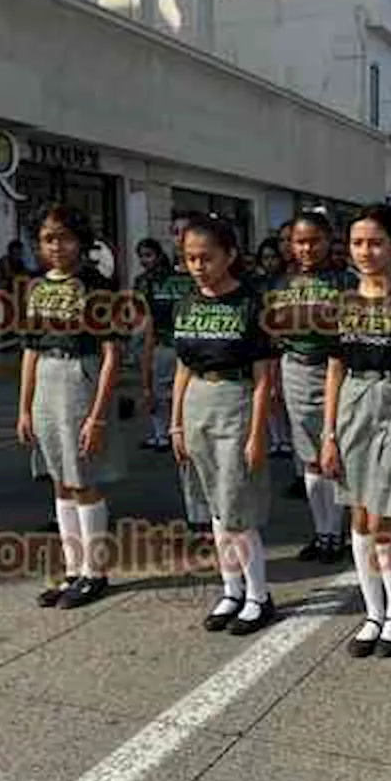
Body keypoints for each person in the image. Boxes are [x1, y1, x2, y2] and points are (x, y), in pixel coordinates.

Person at [321, 204, 391, 657]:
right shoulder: (342, 302)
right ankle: (373, 611)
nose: (365, 251)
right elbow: (333, 370)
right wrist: (328, 434)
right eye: (357, 243)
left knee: (385, 517)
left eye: (375, 242)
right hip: (352, 404)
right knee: (360, 516)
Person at [170, 217, 276, 635]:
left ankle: (259, 595)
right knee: (214, 505)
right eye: (190, 258)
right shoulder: (186, 303)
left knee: (237, 505)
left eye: (206, 258)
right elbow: (182, 366)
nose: (198, 266)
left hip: (235, 400)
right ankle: (231, 588)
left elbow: (265, 377)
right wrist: (176, 423)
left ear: (230, 255)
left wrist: (256, 432)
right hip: (197, 399)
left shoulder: (252, 304)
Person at [17, 205, 126, 608]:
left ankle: (94, 572)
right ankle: (72, 568)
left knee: (83, 478)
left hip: (80, 376)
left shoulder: (97, 286)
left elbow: (112, 354)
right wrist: (24, 407)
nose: (56, 246)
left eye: (64, 237)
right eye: (48, 238)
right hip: (45, 376)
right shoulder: (35, 287)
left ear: (80, 241)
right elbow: (29, 348)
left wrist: (97, 415)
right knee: (58, 478)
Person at [265, 209, 356, 564]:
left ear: (329, 241)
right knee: (308, 459)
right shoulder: (281, 284)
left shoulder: (345, 282)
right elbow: (273, 334)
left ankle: (338, 532)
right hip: (295, 371)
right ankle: (321, 532)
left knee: (335, 454)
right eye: (299, 242)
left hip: (336, 372)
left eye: (314, 241)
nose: (306, 248)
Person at [133, 238, 176, 451]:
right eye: (141, 256)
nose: (144, 260)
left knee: (162, 387)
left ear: (158, 255)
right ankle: (158, 432)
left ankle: (168, 432)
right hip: (143, 333)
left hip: (162, 337)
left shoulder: (170, 278)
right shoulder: (140, 280)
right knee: (147, 384)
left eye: (148, 255)